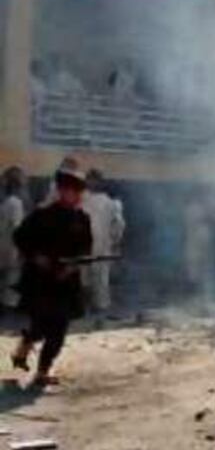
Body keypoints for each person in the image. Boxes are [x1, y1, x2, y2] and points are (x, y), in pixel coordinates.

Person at [11, 164, 92, 386]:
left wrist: (72, 267)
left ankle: (42, 372)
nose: (74, 196)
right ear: (61, 191)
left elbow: (86, 249)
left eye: (78, 191)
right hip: (41, 281)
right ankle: (24, 347)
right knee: (40, 326)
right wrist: (37, 257)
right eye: (70, 190)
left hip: (66, 282)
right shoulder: (42, 215)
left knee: (59, 329)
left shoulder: (82, 219)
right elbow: (20, 237)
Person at [81, 169, 124, 314]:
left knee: (96, 280)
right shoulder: (81, 200)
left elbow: (118, 225)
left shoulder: (109, 203)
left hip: (97, 247)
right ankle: (92, 308)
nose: (91, 183)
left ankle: (96, 310)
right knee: (90, 279)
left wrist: (114, 241)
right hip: (87, 246)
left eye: (93, 180)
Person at [0, 167, 26, 311]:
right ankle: (7, 308)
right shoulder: (16, 203)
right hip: (12, 248)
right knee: (12, 278)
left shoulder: (5, 202)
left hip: (4, 245)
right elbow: (17, 228)